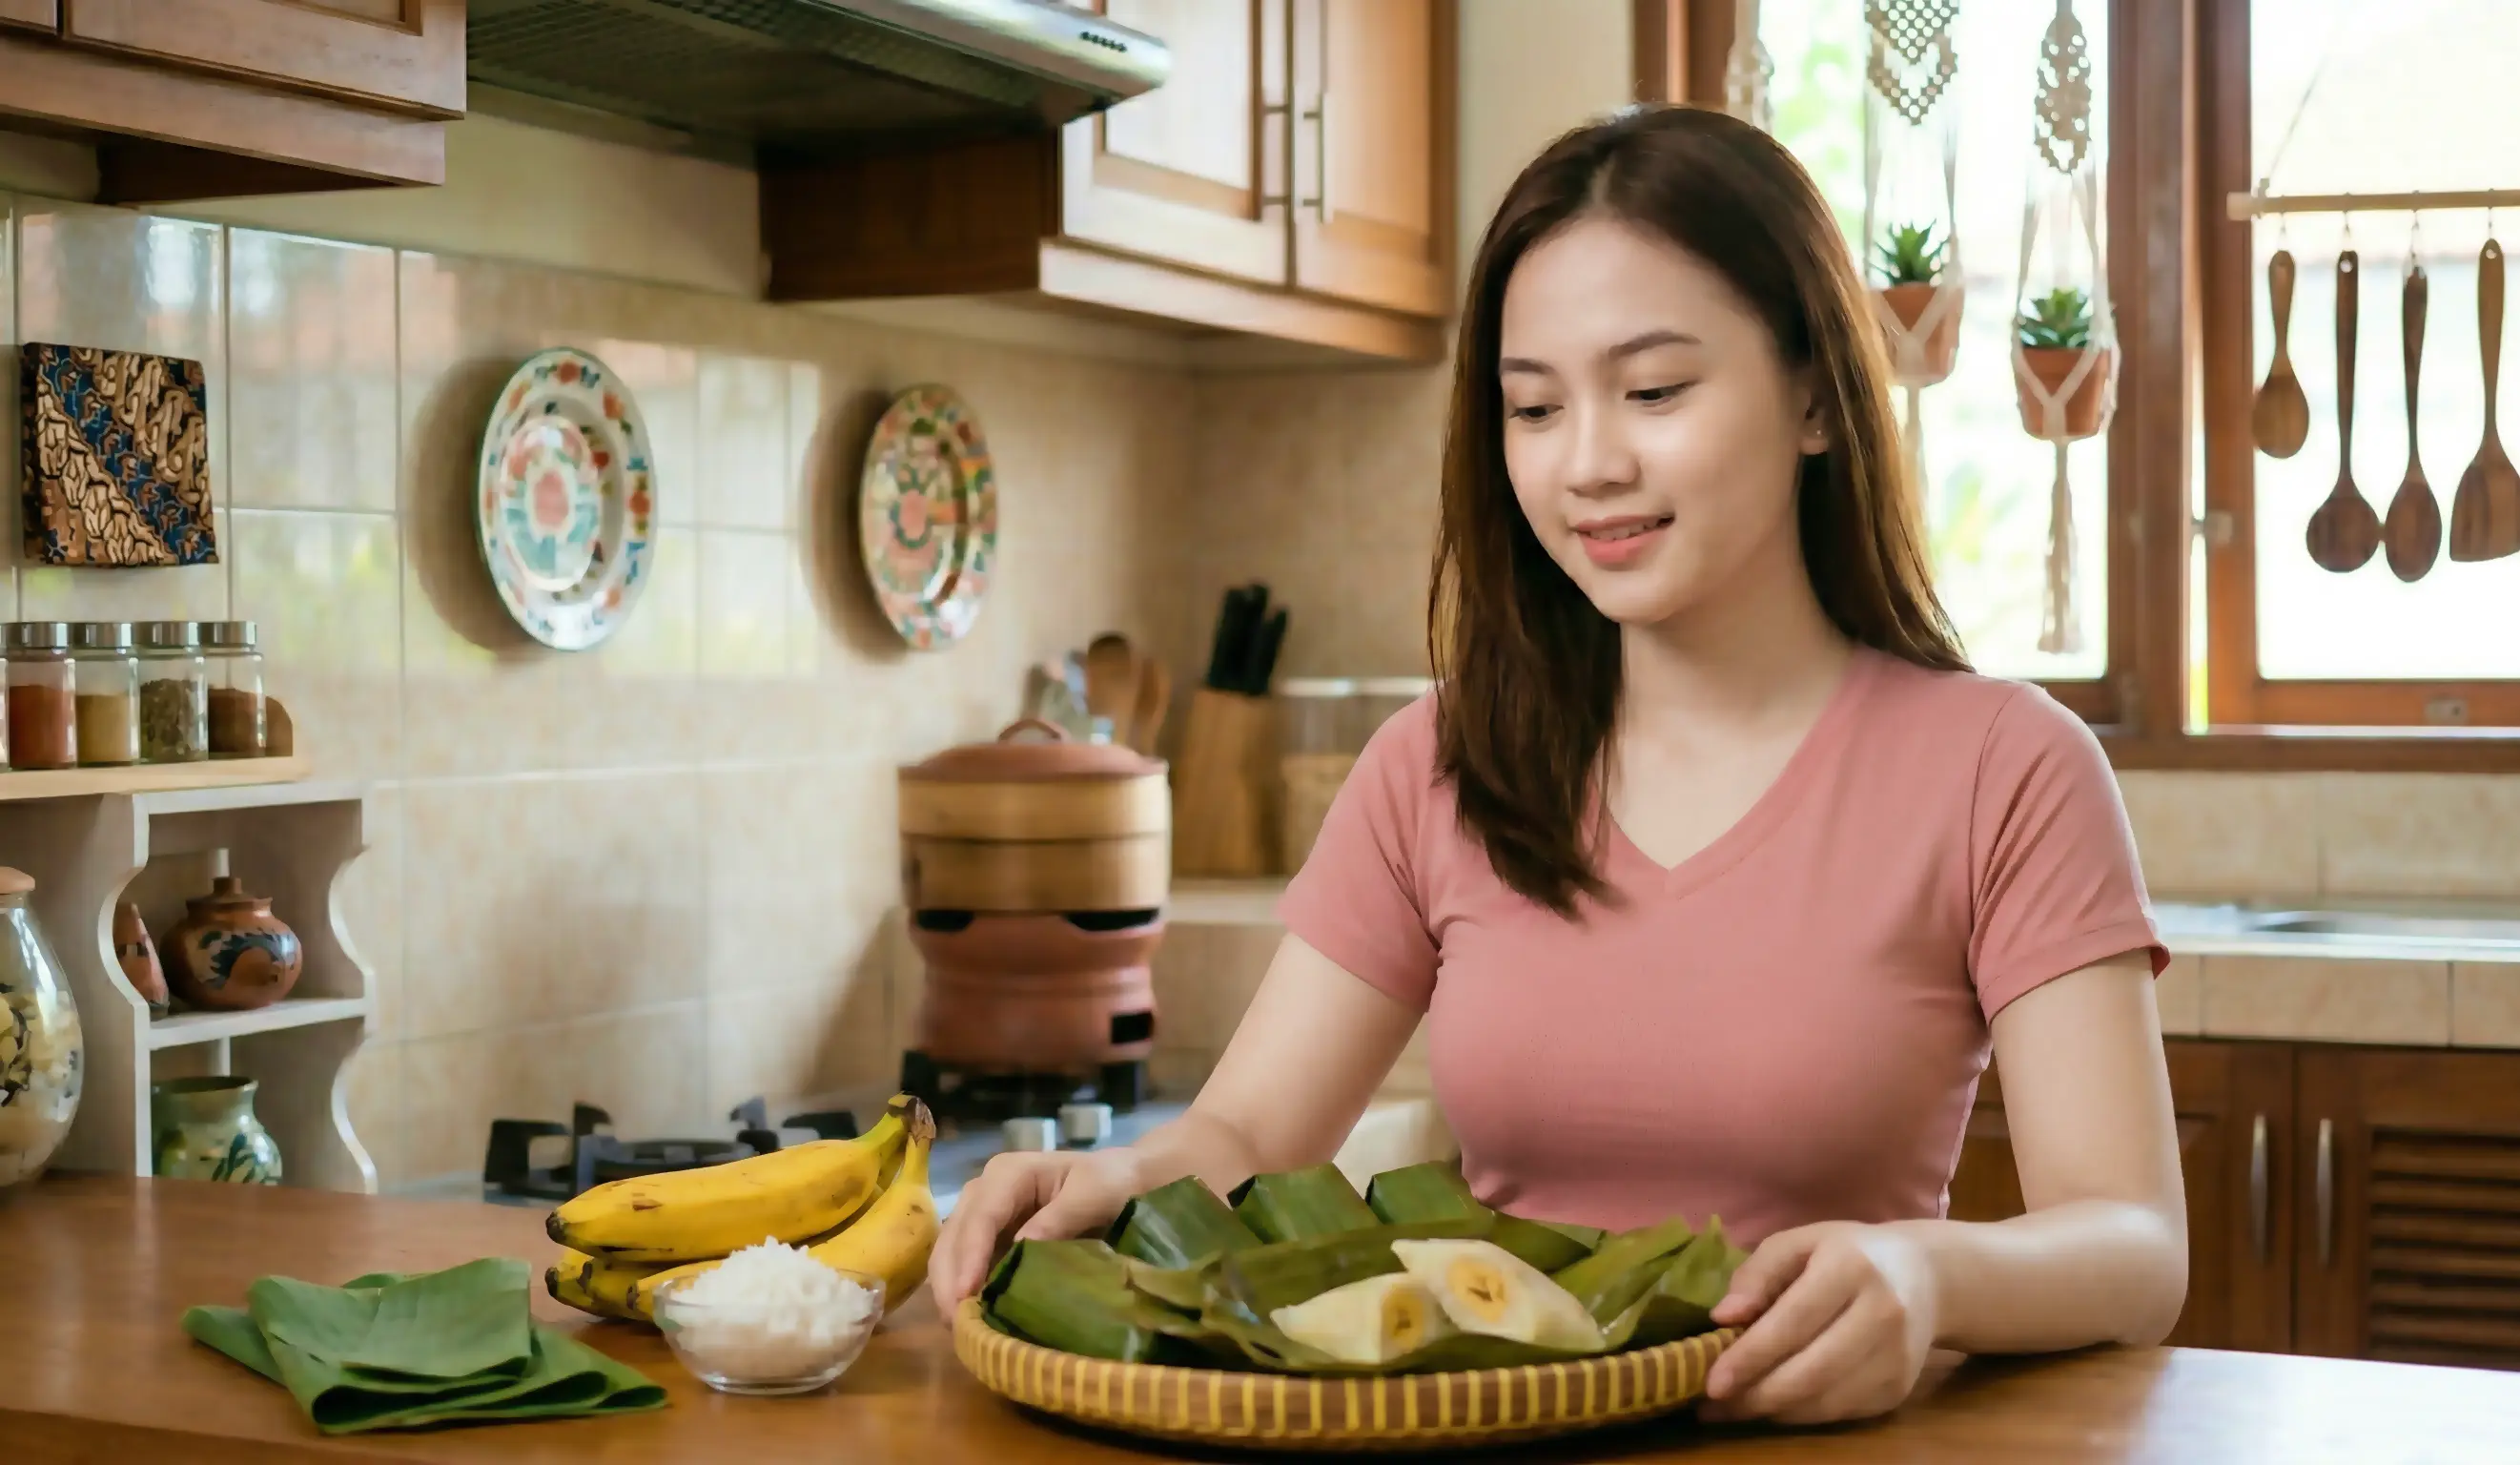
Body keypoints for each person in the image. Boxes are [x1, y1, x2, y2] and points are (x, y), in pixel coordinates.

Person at [932, 103, 2185, 1426]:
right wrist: (1107, 1184)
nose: (1587, 463)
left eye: (1652, 391)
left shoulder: (2003, 768)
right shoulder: (1438, 763)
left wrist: (1925, 1276)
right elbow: (1243, 1140)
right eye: (1532, 407)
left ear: (1815, 392)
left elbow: (2130, 1246)